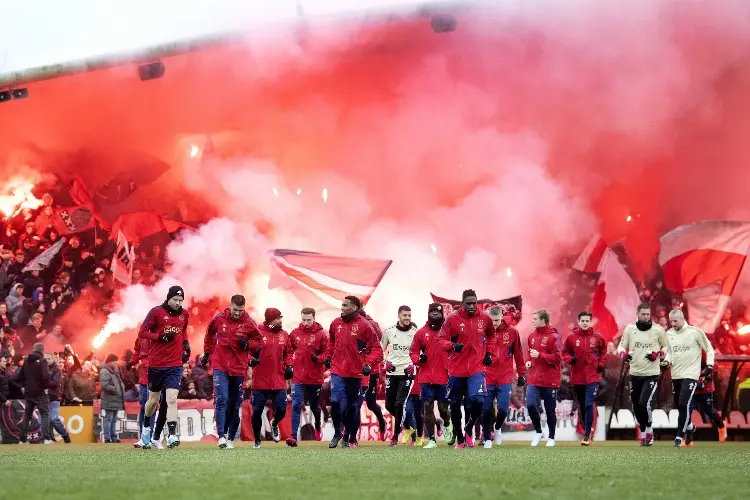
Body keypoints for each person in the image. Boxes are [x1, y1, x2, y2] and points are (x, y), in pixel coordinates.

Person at [201, 294, 263, 449]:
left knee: (235, 405)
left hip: (238, 367)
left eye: (240, 310)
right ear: (230, 305)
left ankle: (230, 437)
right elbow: (209, 334)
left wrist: (248, 344)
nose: (237, 313)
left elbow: (260, 341)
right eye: (235, 309)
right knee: (221, 398)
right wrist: (207, 353)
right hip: (220, 365)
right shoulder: (219, 319)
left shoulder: (249, 323)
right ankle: (221, 436)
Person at [324, 295, 383, 448]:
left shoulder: (365, 326)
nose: (342, 308)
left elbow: (377, 349)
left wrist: (368, 364)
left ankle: (348, 436)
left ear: (355, 307)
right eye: (341, 305)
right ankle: (337, 432)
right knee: (336, 402)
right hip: (337, 369)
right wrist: (328, 357)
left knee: (352, 406)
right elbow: (331, 342)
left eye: (345, 305)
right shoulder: (335, 323)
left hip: (356, 372)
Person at [440, 289, 496, 449]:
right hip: (456, 369)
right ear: (463, 303)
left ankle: (469, 426)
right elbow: (441, 339)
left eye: (474, 303)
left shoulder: (485, 318)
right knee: (455, 405)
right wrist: (452, 346)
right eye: (468, 303)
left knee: (478, 400)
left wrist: (489, 352)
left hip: (476, 368)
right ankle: (460, 437)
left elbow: (492, 335)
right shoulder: (452, 319)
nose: (472, 306)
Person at [137, 285, 190, 449]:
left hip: (175, 364)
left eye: (181, 300)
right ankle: (146, 425)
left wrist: (186, 345)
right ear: (168, 298)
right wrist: (159, 337)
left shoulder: (184, 314)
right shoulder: (157, 312)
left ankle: (172, 435)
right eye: (175, 299)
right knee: (152, 401)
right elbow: (142, 332)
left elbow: (183, 331)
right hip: (157, 364)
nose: (178, 303)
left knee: (172, 399)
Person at [617, 303, 671, 446]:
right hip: (635, 372)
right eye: (643, 314)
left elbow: (666, 347)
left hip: (651, 373)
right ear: (638, 314)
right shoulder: (630, 329)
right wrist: (623, 354)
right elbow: (621, 346)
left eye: (648, 314)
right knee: (636, 405)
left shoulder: (658, 330)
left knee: (643, 402)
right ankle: (644, 432)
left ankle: (648, 432)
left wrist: (658, 355)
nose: (646, 316)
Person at [666, 308, 715, 448]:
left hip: (691, 375)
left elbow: (709, 348)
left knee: (683, 404)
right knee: (679, 405)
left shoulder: (695, 332)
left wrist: (710, 365)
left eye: (675, 321)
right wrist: (666, 362)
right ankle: (689, 428)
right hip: (676, 374)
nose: (673, 324)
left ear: (682, 319)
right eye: (671, 321)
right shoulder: (669, 334)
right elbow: (669, 353)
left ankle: (679, 437)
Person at [409, 303, 453, 448]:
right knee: (427, 407)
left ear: (442, 314)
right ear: (428, 313)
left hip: (444, 377)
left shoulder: (449, 331)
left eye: (437, 312)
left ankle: (447, 425)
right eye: (432, 311)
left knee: (443, 409)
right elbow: (413, 352)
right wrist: (418, 359)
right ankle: (432, 439)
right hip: (426, 377)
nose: (435, 314)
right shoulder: (421, 333)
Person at [250, 308, 292, 449]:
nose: (280, 320)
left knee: (281, 409)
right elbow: (247, 351)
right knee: (257, 411)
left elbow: (289, 353)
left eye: (281, 317)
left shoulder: (284, 335)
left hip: (278, 379)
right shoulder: (258, 333)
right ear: (269, 319)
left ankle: (274, 423)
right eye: (277, 318)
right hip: (260, 379)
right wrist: (250, 360)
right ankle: (257, 441)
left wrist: (289, 366)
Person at [485, 304, 526, 448]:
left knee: (503, 408)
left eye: (496, 320)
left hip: (505, 376)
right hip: (487, 375)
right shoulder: (482, 331)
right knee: (486, 408)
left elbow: (519, 354)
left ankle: (497, 428)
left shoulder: (512, 332)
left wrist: (522, 374)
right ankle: (487, 438)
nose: (494, 323)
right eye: (492, 320)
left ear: (502, 317)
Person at [563, 311, 606, 446]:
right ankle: (585, 430)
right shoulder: (571, 337)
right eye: (583, 321)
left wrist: (601, 365)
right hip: (577, 377)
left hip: (593, 377)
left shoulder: (598, 337)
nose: (585, 323)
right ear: (578, 321)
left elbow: (603, 352)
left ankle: (587, 435)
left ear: (590, 321)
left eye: (587, 321)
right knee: (582, 406)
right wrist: (571, 359)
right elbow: (565, 353)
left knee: (588, 404)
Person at [287, 307, 328, 447]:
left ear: (314, 318)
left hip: (314, 378)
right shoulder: (294, 334)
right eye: (303, 319)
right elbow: (288, 351)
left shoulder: (321, 335)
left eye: (308, 320)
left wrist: (318, 358)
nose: (306, 322)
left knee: (315, 407)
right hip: (298, 377)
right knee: (296, 404)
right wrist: (289, 365)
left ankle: (317, 427)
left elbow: (327, 353)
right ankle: (293, 436)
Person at [381, 305, 419, 445]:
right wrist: (386, 362)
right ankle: (409, 428)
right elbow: (381, 349)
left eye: (409, 315)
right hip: (392, 373)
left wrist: (414, 364)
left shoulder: (416, 333)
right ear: (398, 316)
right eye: (405, 315)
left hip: (406, 373)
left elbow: (420, 353)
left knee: (399, 404)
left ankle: (395, 437)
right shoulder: (389, 332)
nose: (407, 318)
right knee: (389, 405)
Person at [525, 309, 562, 447]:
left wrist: (540, 355)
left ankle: (551, 437)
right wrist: (529, 361)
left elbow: (558, 358)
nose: (532, 321)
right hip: (534, 379)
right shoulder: (532, 336)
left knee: (549, 409)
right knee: (529, 404)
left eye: (535, 318)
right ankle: (539, 432)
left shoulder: (554, 337)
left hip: (550, 380)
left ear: (543, 320)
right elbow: (531, 354)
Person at [12, 342, 52, 444]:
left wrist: (22, 387)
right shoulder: (43, 361)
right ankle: (47, 439)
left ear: (34, 349)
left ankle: (22, 440)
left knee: (27, 416)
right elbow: (45, 377)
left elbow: (19, 376)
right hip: (40, 393)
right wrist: (46, 386)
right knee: (44, 415)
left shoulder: (26, 361)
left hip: (29, 393)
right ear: (42, 350)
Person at [359, 310, 388, 441]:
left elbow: (379, 349)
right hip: (354, 371)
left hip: (371, 370)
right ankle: (352, 434)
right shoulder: (349, 325)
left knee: (370, 403)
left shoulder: (373, 326)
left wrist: (378, 369)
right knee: (354, 403)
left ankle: (382, 422)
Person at [691, 350, 727, 443]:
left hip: (705, 389)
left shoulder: (707, 351)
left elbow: (714, 368)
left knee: (709, 411)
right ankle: (687, 438)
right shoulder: (687, 349)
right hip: (691, 387)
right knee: (686, 411)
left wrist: (704, 378)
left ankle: (722, 426)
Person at [44, 351, 71, 443]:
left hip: (53, 397)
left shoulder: (56, 370)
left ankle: (65, 435)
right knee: (43, 420)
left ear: (53, 359)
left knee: (53, 418)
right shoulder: (40, 369)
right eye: (45, 359)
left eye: (49, 359)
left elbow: (55, 383)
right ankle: (46, 439)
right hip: (42, 398)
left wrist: (45, 386)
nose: (47, 360)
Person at [99, 353, 125, 443]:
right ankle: (107, 438)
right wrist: (116, 389)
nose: (116, 363)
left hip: (115, 398)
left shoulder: (115, 370)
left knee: (114, 419)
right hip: (109, 398)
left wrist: (120, 389)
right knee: (108, 419)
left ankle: (114, 437)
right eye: (114, 361)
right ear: (110, 361)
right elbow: (104, 385)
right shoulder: (104, 371)